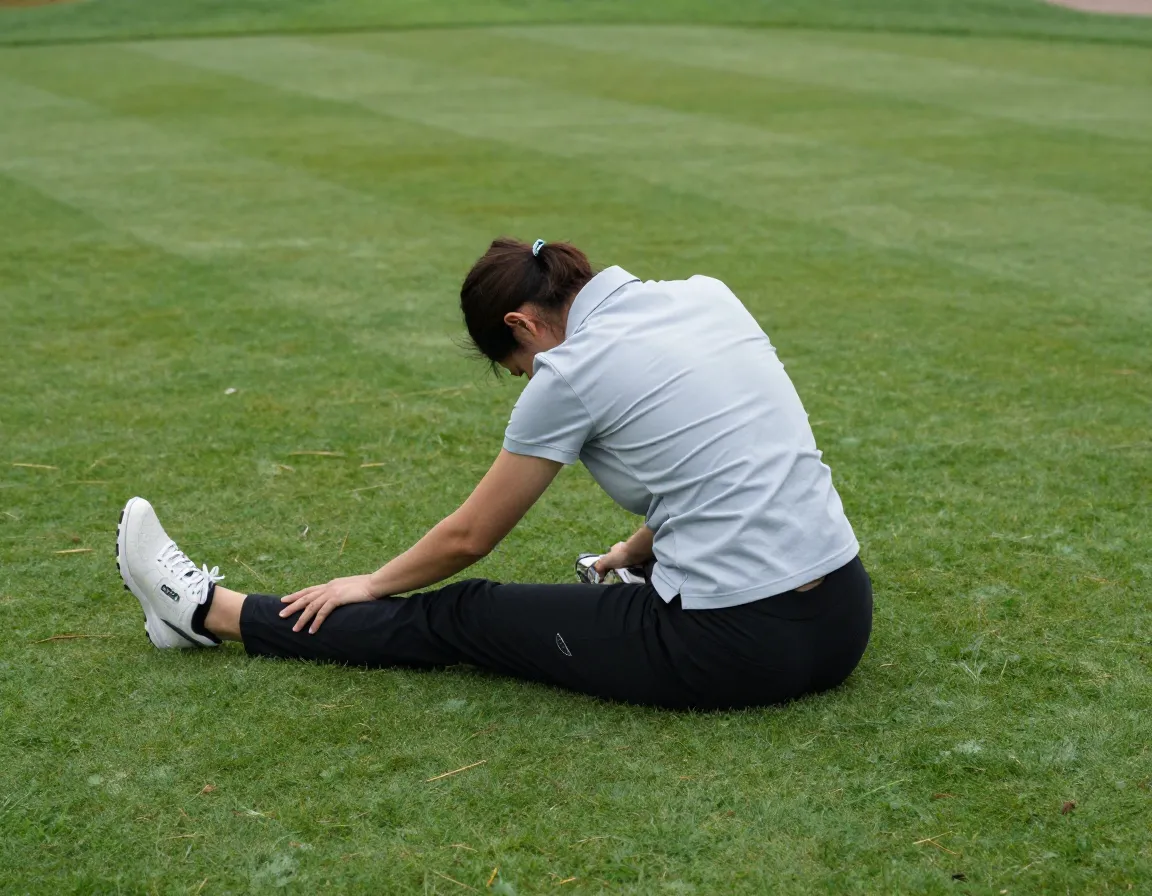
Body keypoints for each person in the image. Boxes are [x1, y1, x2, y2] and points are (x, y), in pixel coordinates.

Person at [115, 237, 871, 711]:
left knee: (467, 612)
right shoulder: (708, 295)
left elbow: (471, 537)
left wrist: (371, 582)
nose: (526, 377)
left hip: (729, 650)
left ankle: (204, 613)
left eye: (516, 367)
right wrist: (630, 555)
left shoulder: (569, 370)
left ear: (522, 325)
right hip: (841, 620)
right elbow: (728, 461)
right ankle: (208, 613)